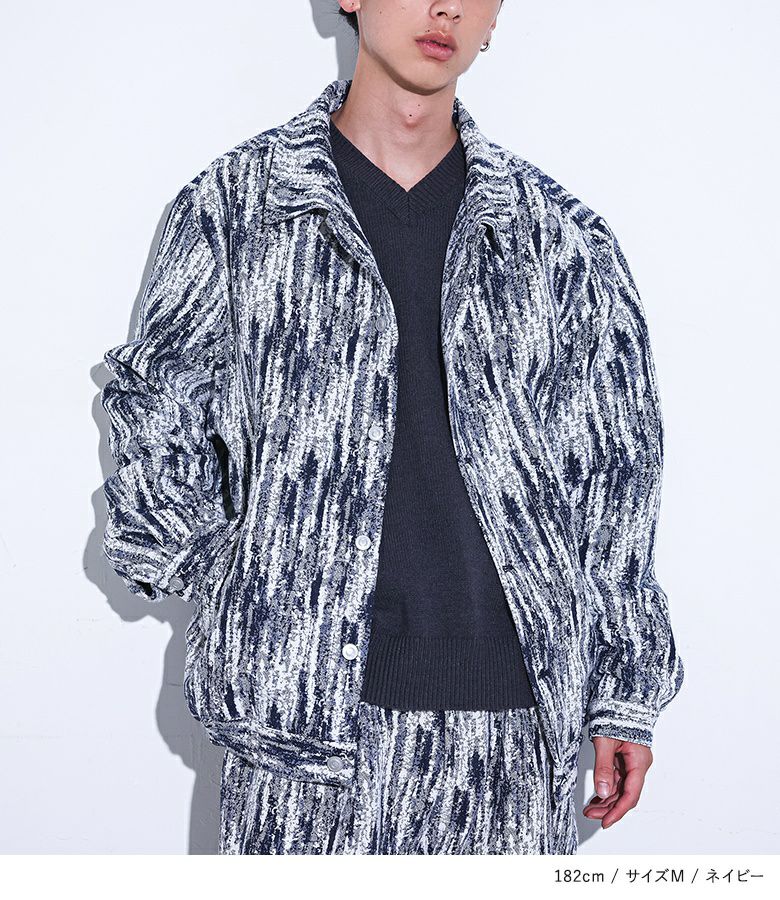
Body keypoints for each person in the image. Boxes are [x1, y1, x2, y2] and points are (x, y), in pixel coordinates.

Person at [100, 0, 685, 854]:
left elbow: (614, 475)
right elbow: (154, 417)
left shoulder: (561, 241)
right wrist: (237, 578)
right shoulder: (239, 208)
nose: (446, 7)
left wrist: (624, 690)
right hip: (296, 743)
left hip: (512, 736)